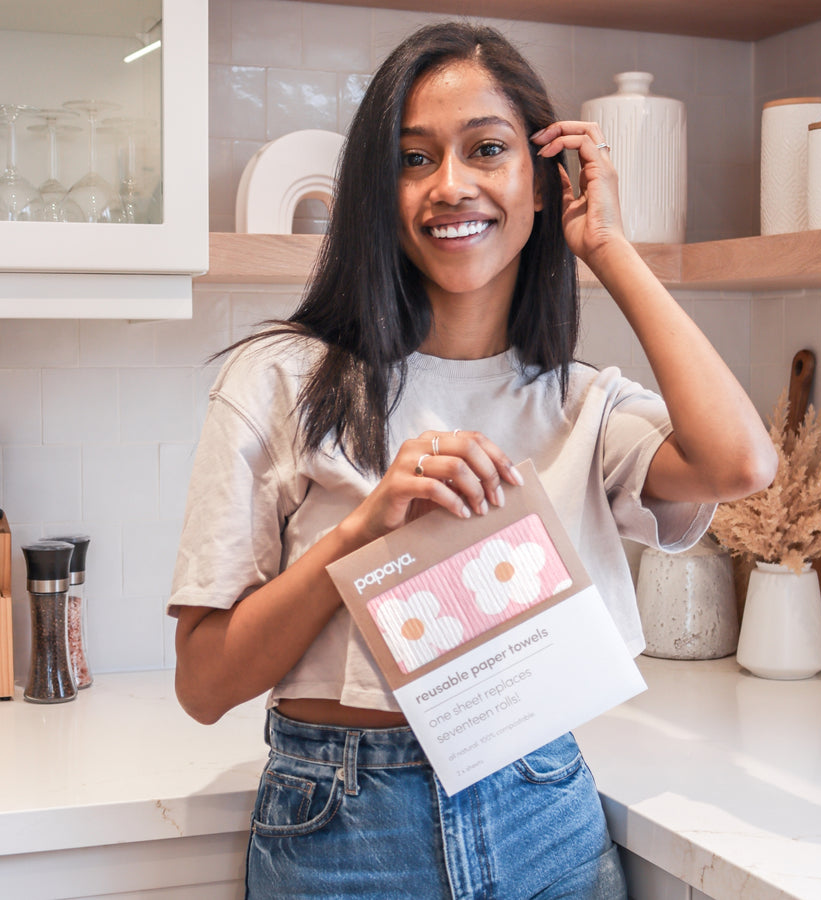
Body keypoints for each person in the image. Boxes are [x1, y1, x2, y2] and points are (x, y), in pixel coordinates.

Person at [169, 21, 777, 900]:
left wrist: (608, 247)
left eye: (488, 150)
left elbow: (741, 464)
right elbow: (202, 682)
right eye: (414, 159)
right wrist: (365, 533)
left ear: (543, 185)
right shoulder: (280, 380)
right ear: (380, 193)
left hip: (543, 810)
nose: (450, 185)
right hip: (340, 829)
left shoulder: (583, 405)